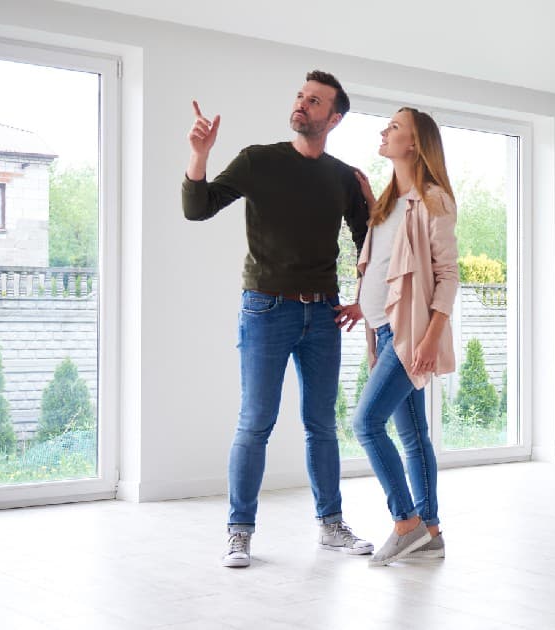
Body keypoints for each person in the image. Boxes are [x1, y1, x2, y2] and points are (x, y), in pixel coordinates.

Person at [182, 70, 374, 568]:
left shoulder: (343, 177)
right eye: (300, 97)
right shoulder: (258, 160)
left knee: (321, 425)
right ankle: (239, 531)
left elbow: (369, 242)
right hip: (266, 309)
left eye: (315, 102)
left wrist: (362, 299)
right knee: (255, 422)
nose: (302, 105)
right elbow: (197, 208)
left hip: (325, 314)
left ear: (333, 118)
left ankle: (331, 526)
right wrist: (199, 155)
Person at [334, 107, 457, 566]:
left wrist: (429, 337)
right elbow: (383, 270)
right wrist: (359, 304)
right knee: (412, 434)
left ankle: (404, 523)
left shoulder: (433, 200)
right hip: (382, 330)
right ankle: (431, 531)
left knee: (366, 423)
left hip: (408, 336)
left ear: (414, 144)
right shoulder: (388, 204)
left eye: (394, 127)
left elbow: (448, 277)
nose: (384, 132)